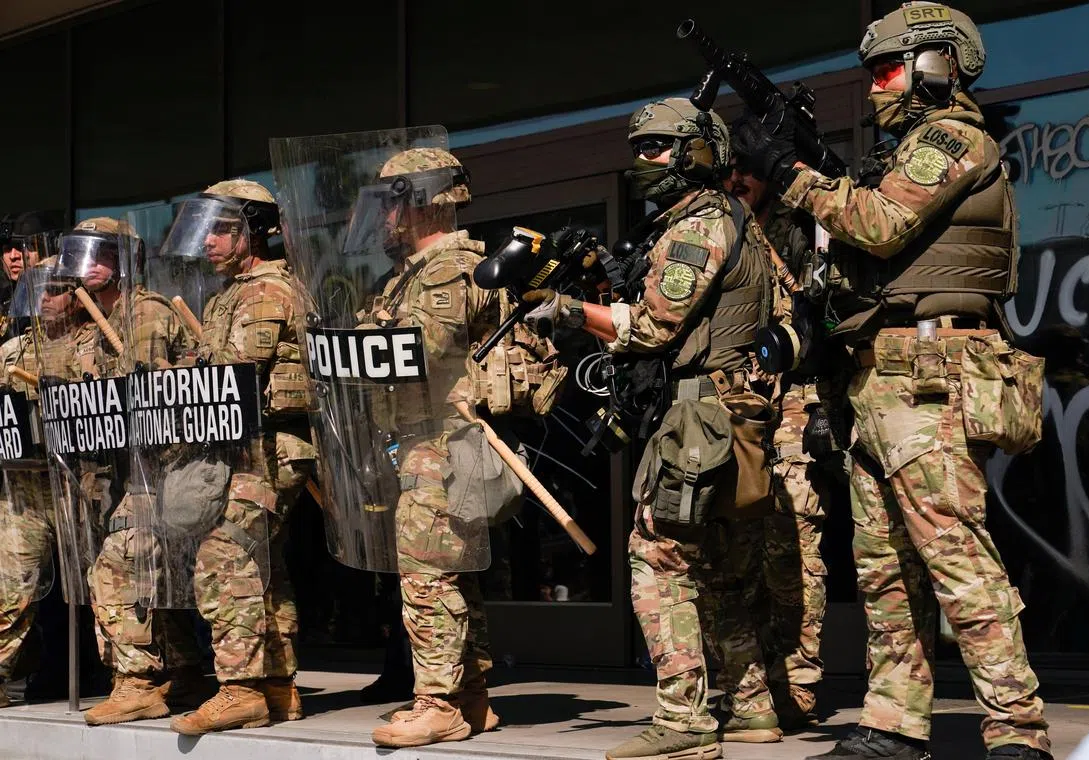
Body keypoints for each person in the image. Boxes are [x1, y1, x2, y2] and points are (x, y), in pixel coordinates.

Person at [740, 3, 1052, 759]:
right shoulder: (897, 150)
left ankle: (1017, 728)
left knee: (954, 556)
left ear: (936, 64)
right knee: (884, 572)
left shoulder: (953, 138)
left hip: (931, 374)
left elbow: (878, 224)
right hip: (880, 377)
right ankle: (893, 721)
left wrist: (787, 170)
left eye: (887, 69)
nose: (876, 87)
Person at [523, 97, 776, 760]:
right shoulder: (729, 219)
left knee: (657, 560)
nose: (646, 160)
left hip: (698, 415)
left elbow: (656, 326)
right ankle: (751, 707)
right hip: (722, 413)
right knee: (714, 566)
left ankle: (683, 721)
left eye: (660, 147)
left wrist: (571, 311)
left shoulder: (700, 226)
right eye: (640, 148)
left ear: (699, 151)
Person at [364, 147, 565, 748]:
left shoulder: (449, 267)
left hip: (444, 441)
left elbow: (423, 347)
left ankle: (439, 702)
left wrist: (356, 342)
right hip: (423, 437)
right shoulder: (414, 271)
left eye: (394, 201)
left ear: (424, 203)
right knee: (455, 574)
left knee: (427, 574)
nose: (384, 217)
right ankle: (471, 698)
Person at [168, 180, 315, 735]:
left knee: (224, 555)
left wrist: (175, 378)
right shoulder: (229, 292)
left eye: (220, 229)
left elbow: (235, 375)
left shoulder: (265, 291)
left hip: (270, 449)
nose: (206, 241)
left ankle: (240, 688)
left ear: (252, 231)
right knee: (259, 567)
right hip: (242, 447)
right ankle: (277, 687)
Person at [723, 117, 837, 729]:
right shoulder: (723, 230)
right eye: (730, 168)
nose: (737, 179)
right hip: (741, 406)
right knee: (739, 548)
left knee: (793, 551)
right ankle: (751, 685)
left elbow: (823, 319)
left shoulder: (802, 229)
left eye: (748, 167)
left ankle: (797, 683)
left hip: (796, 401)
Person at [71, 218, 208, 726]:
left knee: (115, 568)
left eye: (96, 256)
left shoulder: (144, 313)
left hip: (164, 470)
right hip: (132, 473)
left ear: (123, 262)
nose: (83, 266)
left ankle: (137, 680)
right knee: (158, 577)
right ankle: (185, 670)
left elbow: (149, 403)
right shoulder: (97, 322)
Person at [0, 256, 58, 707]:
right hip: (26, 487)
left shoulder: (98, 339)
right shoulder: (11, 351)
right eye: (37, 291)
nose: (44, 299)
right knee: (12, 587)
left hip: (89, 484)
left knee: (109, 588)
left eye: (55, 289)